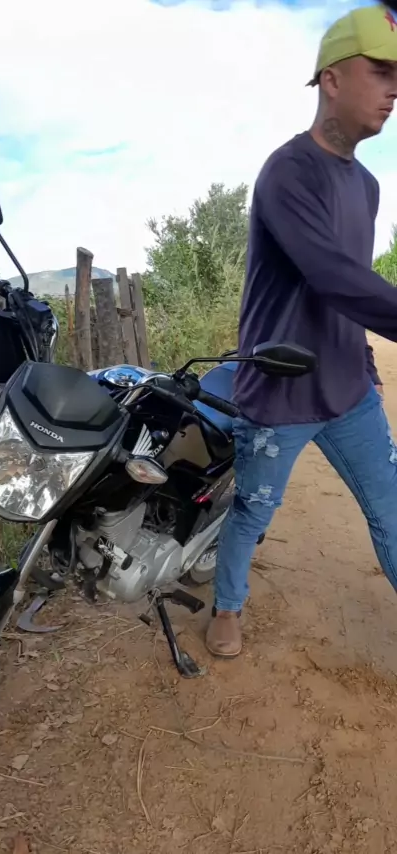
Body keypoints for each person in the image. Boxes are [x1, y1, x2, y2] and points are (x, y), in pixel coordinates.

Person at [206, 3, 397, 659]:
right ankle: (227, 606)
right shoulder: (287, 171)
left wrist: (365, 364)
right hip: (280, 392)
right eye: (381, 72)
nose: (394, 90)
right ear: (332, 79)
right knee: (254, 510)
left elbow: (352, 286)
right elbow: (330, 275)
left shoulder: (367, 186)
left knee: (391, 511)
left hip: (350, 392)